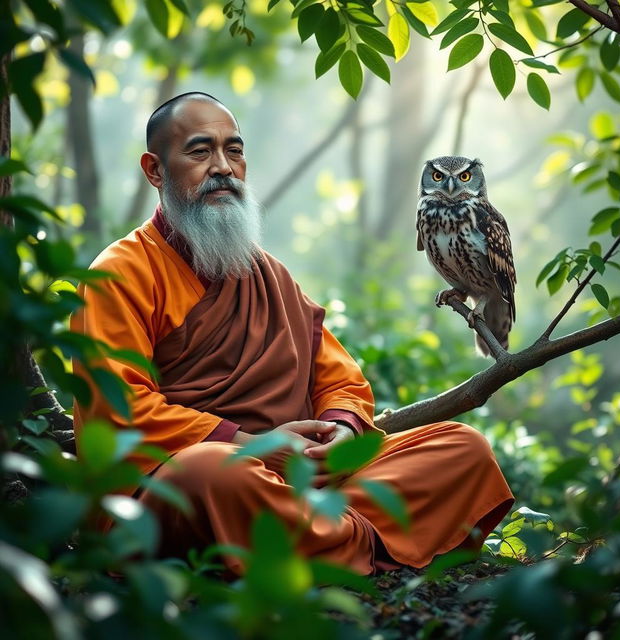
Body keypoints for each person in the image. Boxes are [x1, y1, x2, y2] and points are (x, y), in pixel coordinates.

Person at [72, 92, 514, 576]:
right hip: (192, 485)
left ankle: (316, 539)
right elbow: (118, 410)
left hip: (301, 481)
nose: (223, 167)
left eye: (234, 151)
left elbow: (341, 381)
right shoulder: (120, 273)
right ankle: (358, 543)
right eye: (200, 152)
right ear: (155, 170)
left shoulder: (267, 274)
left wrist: (342, 430)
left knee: (461, 448)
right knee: (214, 473)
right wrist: (250, 443)